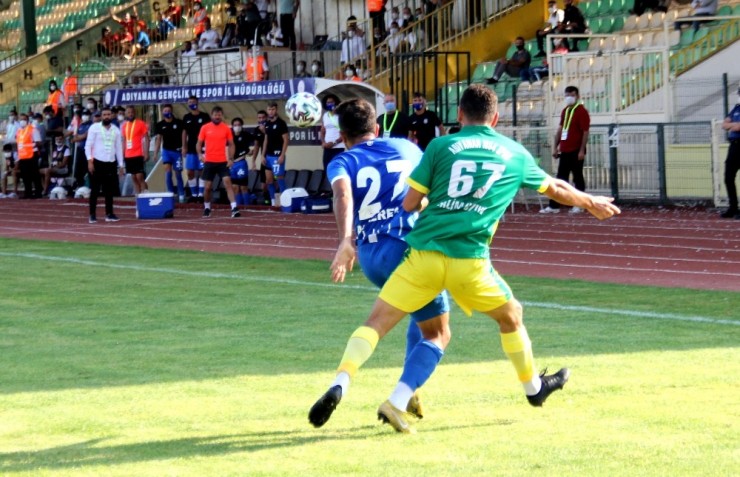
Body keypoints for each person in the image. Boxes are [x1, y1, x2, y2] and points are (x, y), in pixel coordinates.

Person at [308, 84, 621, 434]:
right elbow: (557, 189)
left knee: (379, 323)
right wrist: (591, 201)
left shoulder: (440, 146)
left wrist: (351, 238)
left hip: (419, 255)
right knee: (504, 317)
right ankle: (532, 388)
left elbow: (407, 202)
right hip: (469, 260)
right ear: (497, 117)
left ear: (459, 115)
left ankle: (345, 381)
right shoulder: (512, 152)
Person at [308, 98, 450, 432]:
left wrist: (346, 240)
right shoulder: (405, 147)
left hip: (372, 257)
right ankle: (401, 397)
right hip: (409, 249)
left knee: (414, 312)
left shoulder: (342, 160)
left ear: (343, 136)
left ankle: (345, 379)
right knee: (439, 332)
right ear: (377, 128)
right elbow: (430, 183)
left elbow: (343, 196)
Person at [541, 85, 590, 214]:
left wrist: (581, 150)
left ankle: (580, 204)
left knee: (577, 177)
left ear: (578, 96)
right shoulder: (565, 111)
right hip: (565, 150)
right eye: (567, 95)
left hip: (575, 150)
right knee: (560, 179)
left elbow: (585, 132)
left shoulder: (582, 112)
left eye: (572, 95)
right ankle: (554, 205)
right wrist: (555, 147)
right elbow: (560, 129)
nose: (569, 98)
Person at [196, 106, 240, 218]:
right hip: (209, 161)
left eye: (219, 115)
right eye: (215, 115)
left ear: (221, 116)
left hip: (222, 162)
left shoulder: (226, 128)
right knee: (207, 187)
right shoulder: (205, 128)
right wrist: (200, 155)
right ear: (211, 115)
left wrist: (231, 158)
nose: (217, 117)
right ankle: (207, 208)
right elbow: (198, 143)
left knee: (227, 183)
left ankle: (234, 208)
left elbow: (232, 144)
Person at [85, 107, 124, 223]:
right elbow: (88, 145)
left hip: (111, 162)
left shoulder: (116, 130)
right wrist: (89, 161)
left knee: (109, 190)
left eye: (108, 114)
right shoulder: (94, 128)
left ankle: (109, 213)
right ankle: (92, 214)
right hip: (97, 162)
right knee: (95, 190)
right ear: (101, 116)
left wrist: (121, 165)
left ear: (112, 116)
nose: (106, 116)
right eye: (104, 114)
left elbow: (118, 149)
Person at [154, 104, 186, 203]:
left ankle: (181, 194)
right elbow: (159, 139)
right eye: (165, 111)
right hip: (166, 151)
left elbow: (184, 134)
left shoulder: (179, 122)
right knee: (168, 173)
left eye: (168, 110)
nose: (167, 112)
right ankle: (170, 194)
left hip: (177, 151)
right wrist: (155, 153)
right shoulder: (160, 124)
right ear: (163, 112)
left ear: (172, 111)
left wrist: (184, 147)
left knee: (178, 174)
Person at [182, 95, 210, 202]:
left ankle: (200, 194)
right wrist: (184, 146)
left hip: (203, 149)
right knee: (190, 172)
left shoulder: (204, 116)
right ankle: (193, 194)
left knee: (202, 171)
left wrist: (207, 147)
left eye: (193, 102)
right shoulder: (186, 117)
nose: (191, 104)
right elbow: (184, 133)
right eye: (189, 102)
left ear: (197, 102)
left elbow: (208, 132)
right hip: (190, 149)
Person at [261, 102, 289, 206]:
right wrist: (263, 155)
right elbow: (266, 140)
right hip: (268, 155)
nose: (271, 111)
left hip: (277, 156)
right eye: (269, 109)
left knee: (280, 177)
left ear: (276, 110)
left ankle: (284, 201)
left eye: (273, 109)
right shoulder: (267, 124)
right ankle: (273, 202)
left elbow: (286, 140)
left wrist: (282, 155)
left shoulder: (281, 123)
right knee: (269, 180)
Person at [720, 85, 740, 219]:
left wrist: (732, 126)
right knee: (728, 177)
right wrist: (733, 126)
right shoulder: (736, 108)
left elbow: (738, 127)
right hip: (734, 146)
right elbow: (724, 124)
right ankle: (733, 208)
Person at [121, 106, 149, 195]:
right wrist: (122, 154)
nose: (130, 114)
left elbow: (147, 138)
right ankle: (138, 196)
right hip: (128, 155)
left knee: (139, 176)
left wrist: (146, 152)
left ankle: (145, 193)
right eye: (128, 112)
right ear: (126, 114)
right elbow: (124, 140)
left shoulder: (140, 123)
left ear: (134, 113)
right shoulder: (124, 126)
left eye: (132, 112)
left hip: (138, 153)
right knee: (133, 177)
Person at [15, 113, 43, 199]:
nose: (22, 121)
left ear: (27, 120)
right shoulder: (19, 131)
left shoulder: (32, 129)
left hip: (32, 155)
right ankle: (28, 193)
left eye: (24, 119)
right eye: (21, 119)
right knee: (25, 176)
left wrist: (34, 149)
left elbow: (38, 142)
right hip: (23, 156)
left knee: (34, 175)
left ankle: (38, 192)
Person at [230, 117, 255, 206]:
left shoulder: (246, 135)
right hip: (232, 164)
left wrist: (251, 152)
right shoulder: (229, 135)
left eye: (239, 125)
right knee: (235, 187)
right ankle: (238, 206)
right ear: (232, 126)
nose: (237, 127)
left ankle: (247, 205)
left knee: (243, 186)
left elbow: (257, 141)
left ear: (242, 126)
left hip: (241, 163)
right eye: (235, 125)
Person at [68, 109, 94, 190]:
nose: (85, 116)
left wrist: (79, 137)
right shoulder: (81, 125)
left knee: (89, 170)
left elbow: (85, 136)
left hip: (88, 151)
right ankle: (80, 186)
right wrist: (79, 137)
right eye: (83, 114)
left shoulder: (91, 125)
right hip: (80, 149)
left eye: (86, 114)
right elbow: (74, 138)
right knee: (78, 170)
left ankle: (91, 187)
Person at [319, 94, 344, 173]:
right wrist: (323, 142)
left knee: (337, 170)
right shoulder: (325, 115)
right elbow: (322, 131)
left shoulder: (340, 115)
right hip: (327, 148)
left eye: (331, 102)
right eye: (328, 102)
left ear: (336, 102)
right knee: (327, 169)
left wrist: (334, 143)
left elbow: (344, 133)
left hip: (338, 147)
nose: (329, 104)